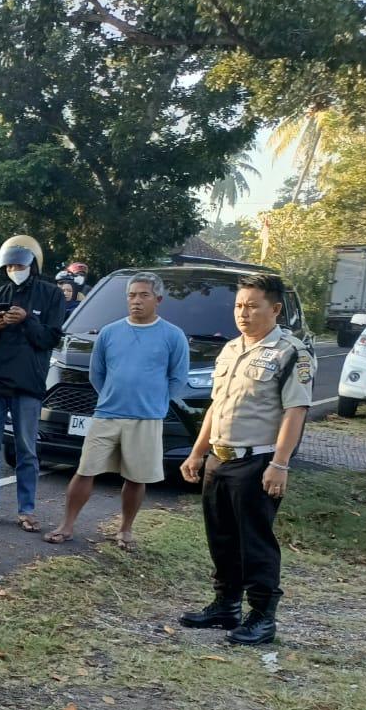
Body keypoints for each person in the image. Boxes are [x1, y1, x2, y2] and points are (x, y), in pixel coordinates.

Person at [178, 273, 313, 646]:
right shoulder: (231, 349)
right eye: (239, 305)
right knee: (221, 538)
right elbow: (216, 405)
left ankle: (262, 617)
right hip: (220, 459)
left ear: (275, 308)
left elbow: (295, 411)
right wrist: (198, 451)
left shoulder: (290, 353)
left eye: (253, 306)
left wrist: (280, 464)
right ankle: (226, 605)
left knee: (255, 542)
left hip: (258, 461)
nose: (244, 313)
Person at [44, 272, 187, 549]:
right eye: (131, 295)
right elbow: (97, 375)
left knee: (136, 477)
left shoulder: (173, 335)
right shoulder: (110, 332)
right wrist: (112, 396)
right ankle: (67, 525)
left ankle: (125, 530)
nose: (136, 301)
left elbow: (177, 378)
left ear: (158, 299)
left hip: (146, 418)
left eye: (143, 295)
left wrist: (155, 402)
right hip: (107, 414)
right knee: (85, 471)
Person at [0, 234, 65, 533]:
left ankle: (27, 510)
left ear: (32, 265)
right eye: (9, 265)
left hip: (28, 382)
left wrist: (26, 320)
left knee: (26, 448)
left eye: (19, 264)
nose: (14, 269)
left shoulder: (51, 295)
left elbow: (50, 339)